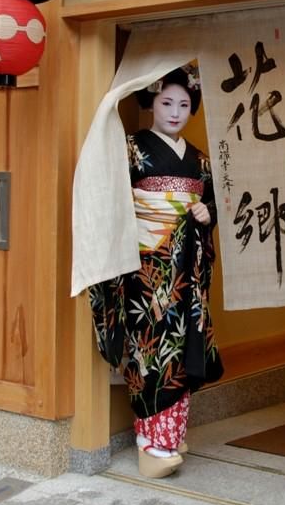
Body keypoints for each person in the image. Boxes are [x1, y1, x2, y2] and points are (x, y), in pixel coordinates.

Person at [88, 65, 223, 479]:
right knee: (152, 349)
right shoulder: (129, 149)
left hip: (187, 271)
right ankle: (151, 442)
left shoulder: (200, 159)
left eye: (184, 104)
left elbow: (212, 205)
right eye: (167, 103)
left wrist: (207, 212)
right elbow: (109, 199)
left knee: (183, 347)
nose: (175, 112)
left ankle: (170, 436)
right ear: (150, 102)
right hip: (145, 268)